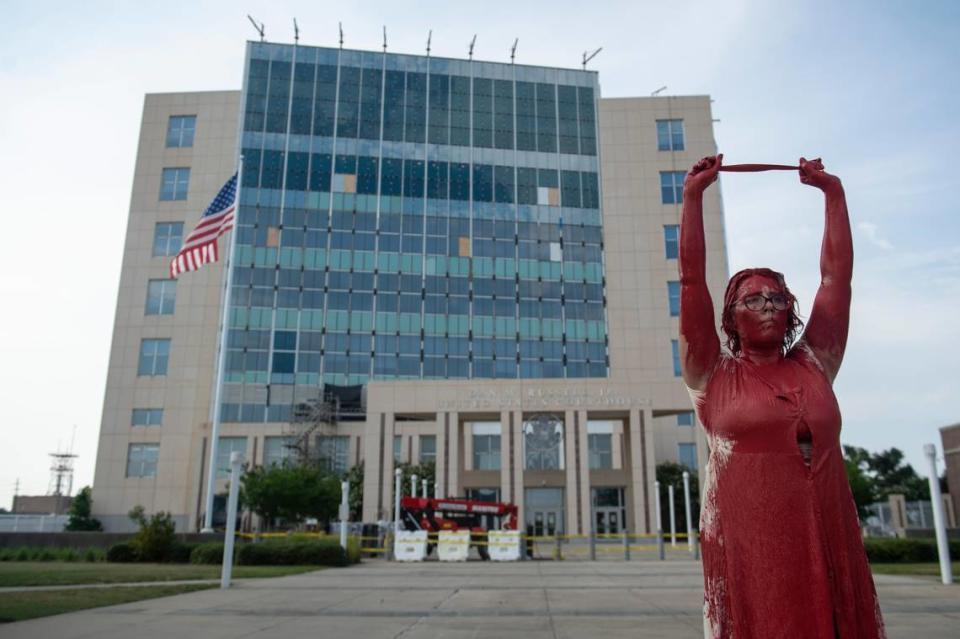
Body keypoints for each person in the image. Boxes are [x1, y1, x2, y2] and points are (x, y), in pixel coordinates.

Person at [679, 154, 885, 638]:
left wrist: (833, 194)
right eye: (753, 299)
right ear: (732, 317)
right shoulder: (712, 373)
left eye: (777, 298)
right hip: (754, 545)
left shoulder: (814, 363)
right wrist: (692, 198)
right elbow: (691, 283)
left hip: (826, 530)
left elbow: (837, 280)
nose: (768, 306)